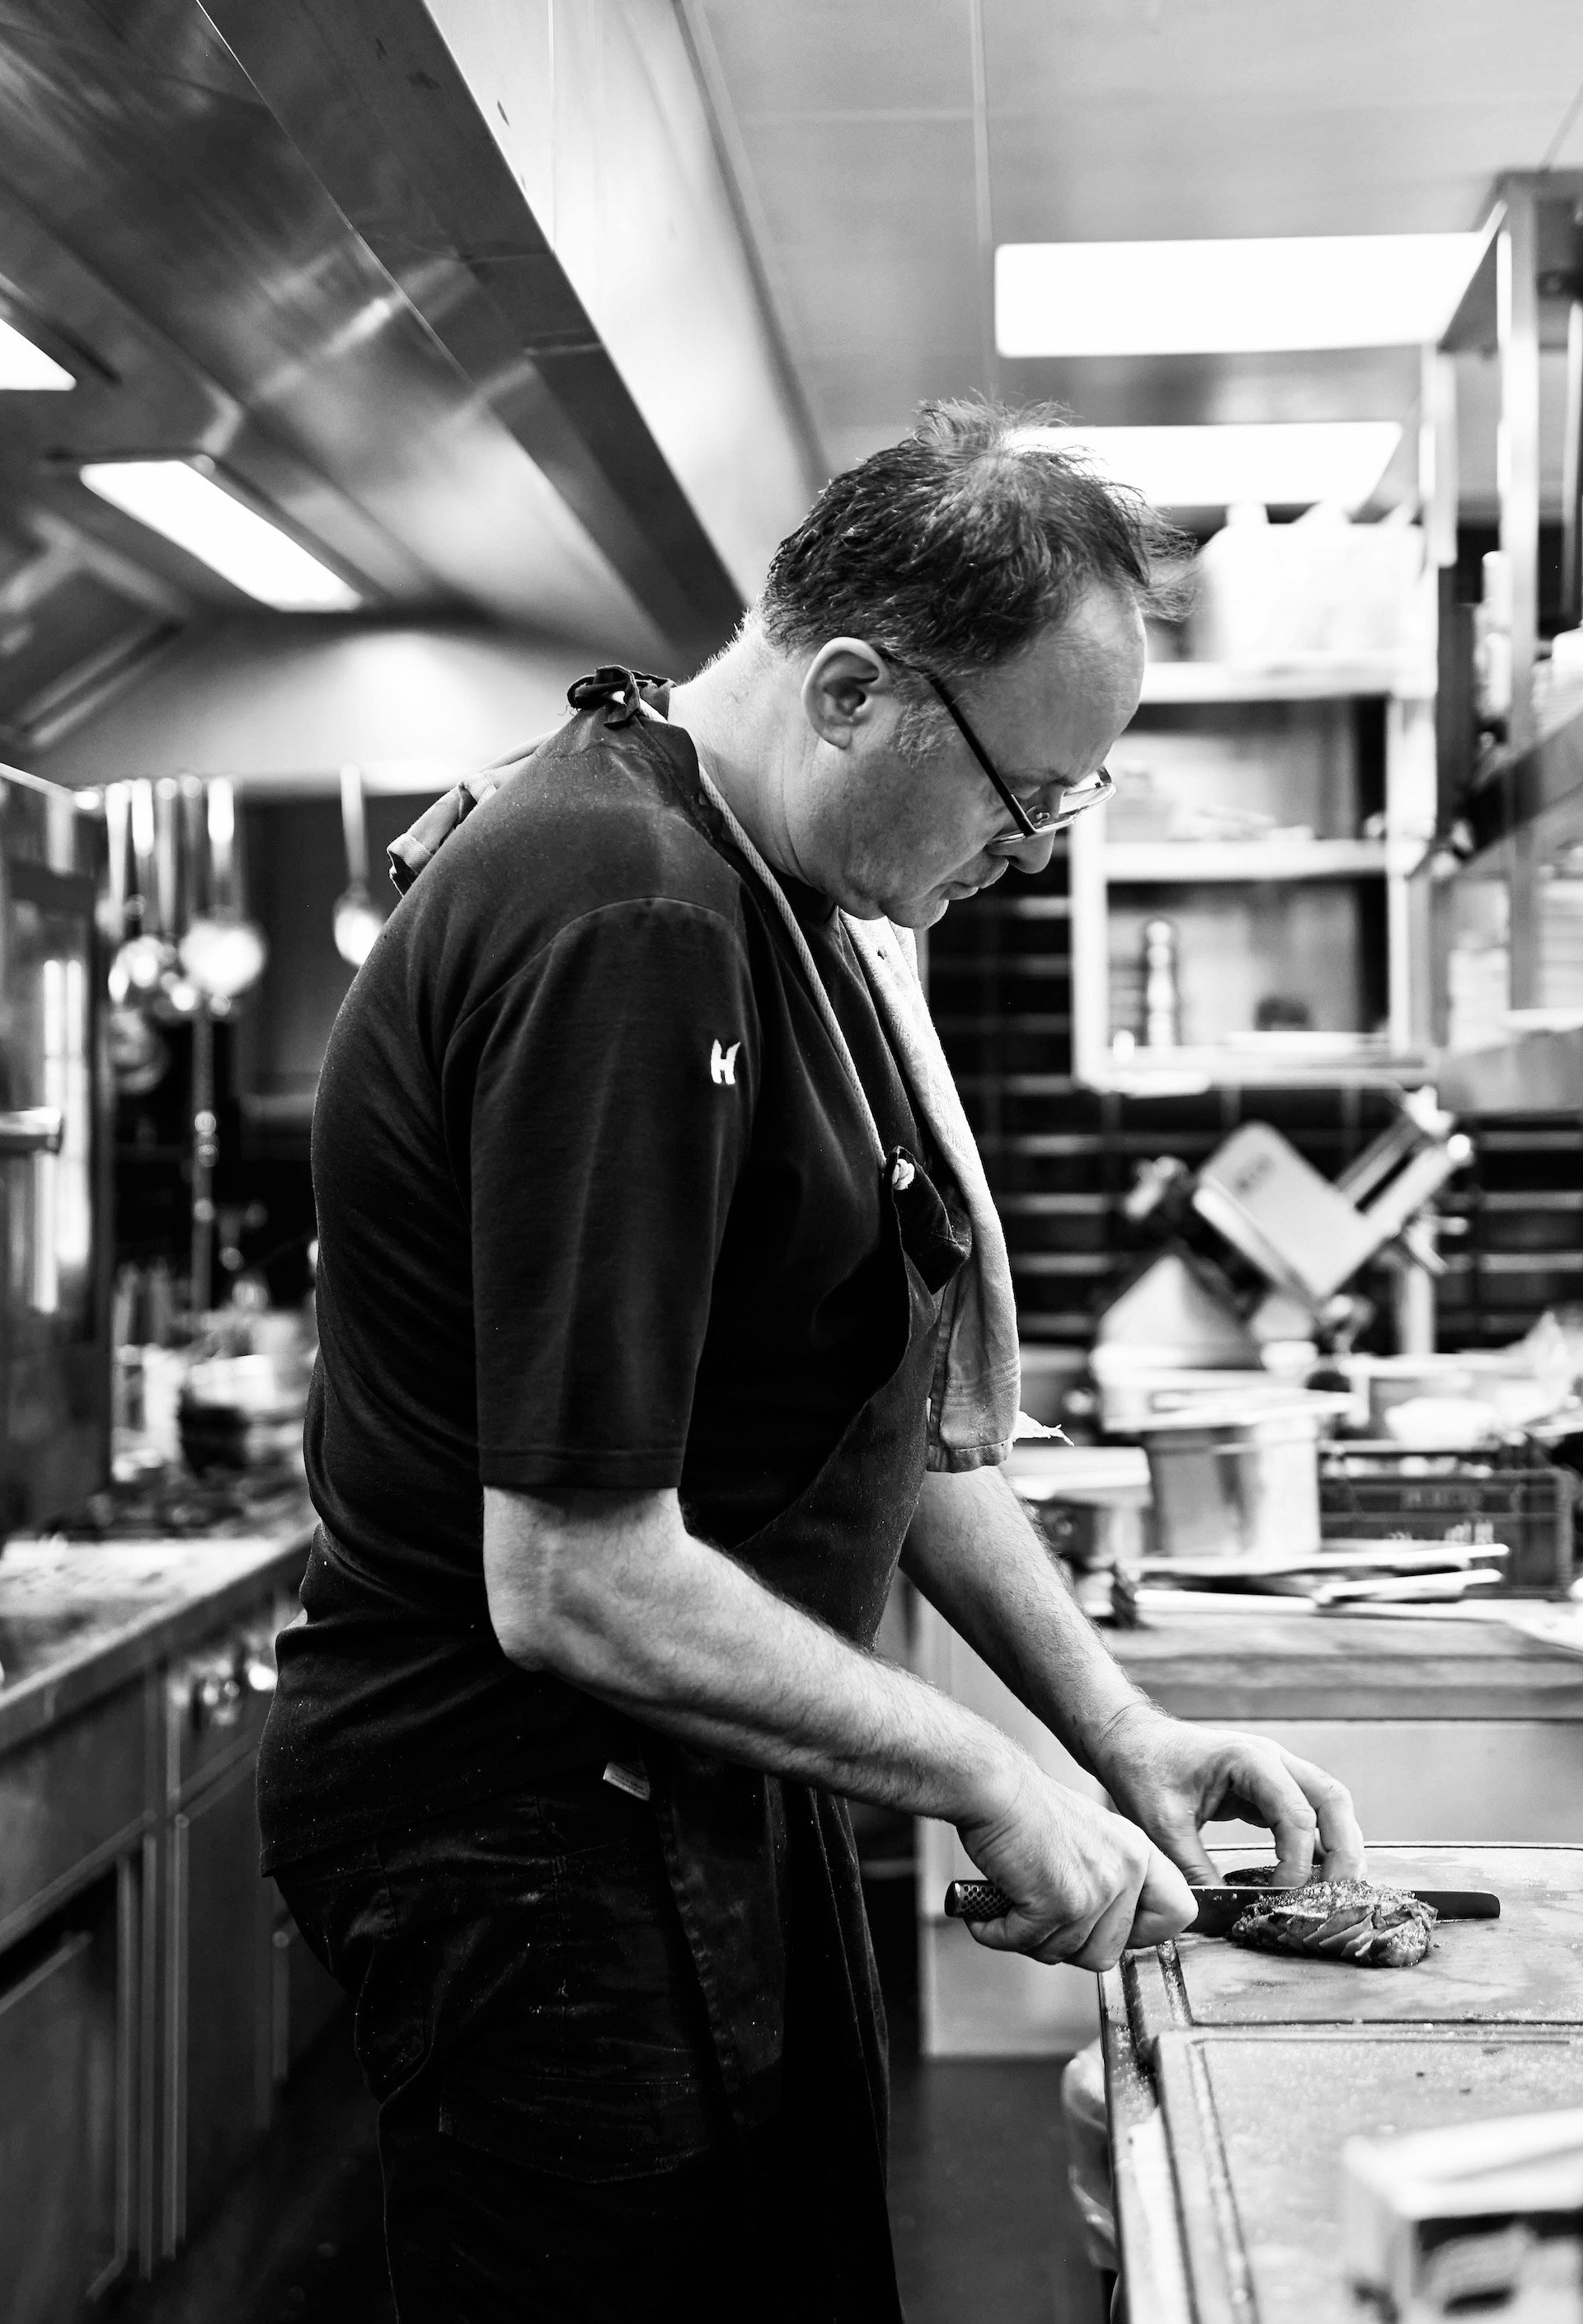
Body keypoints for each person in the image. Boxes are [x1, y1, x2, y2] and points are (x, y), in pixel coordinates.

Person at [258, 399, 1365, 2322]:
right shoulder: (630, 914)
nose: (1028, 852)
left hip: (680, 1790)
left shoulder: (794, 911)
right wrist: (979, 1773)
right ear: (855, 688)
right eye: (1025, 796)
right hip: (527, 1837)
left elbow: (903, 1431)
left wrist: (1118, 1733)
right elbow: (576, 1569)